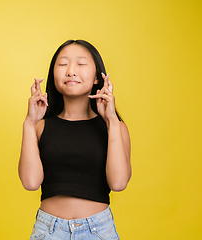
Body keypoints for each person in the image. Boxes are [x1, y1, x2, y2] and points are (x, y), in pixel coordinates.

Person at [18, 40, 131, 240]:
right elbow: (31, 182)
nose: (70, 71)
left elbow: (119, 182)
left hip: (99, 231)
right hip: (48, 231)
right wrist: (29, 123)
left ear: (97, 78)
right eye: (62, 64)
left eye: (81, 64)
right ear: (53, 76)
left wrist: (112, 121)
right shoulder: (40, 127)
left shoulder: (115, 127)